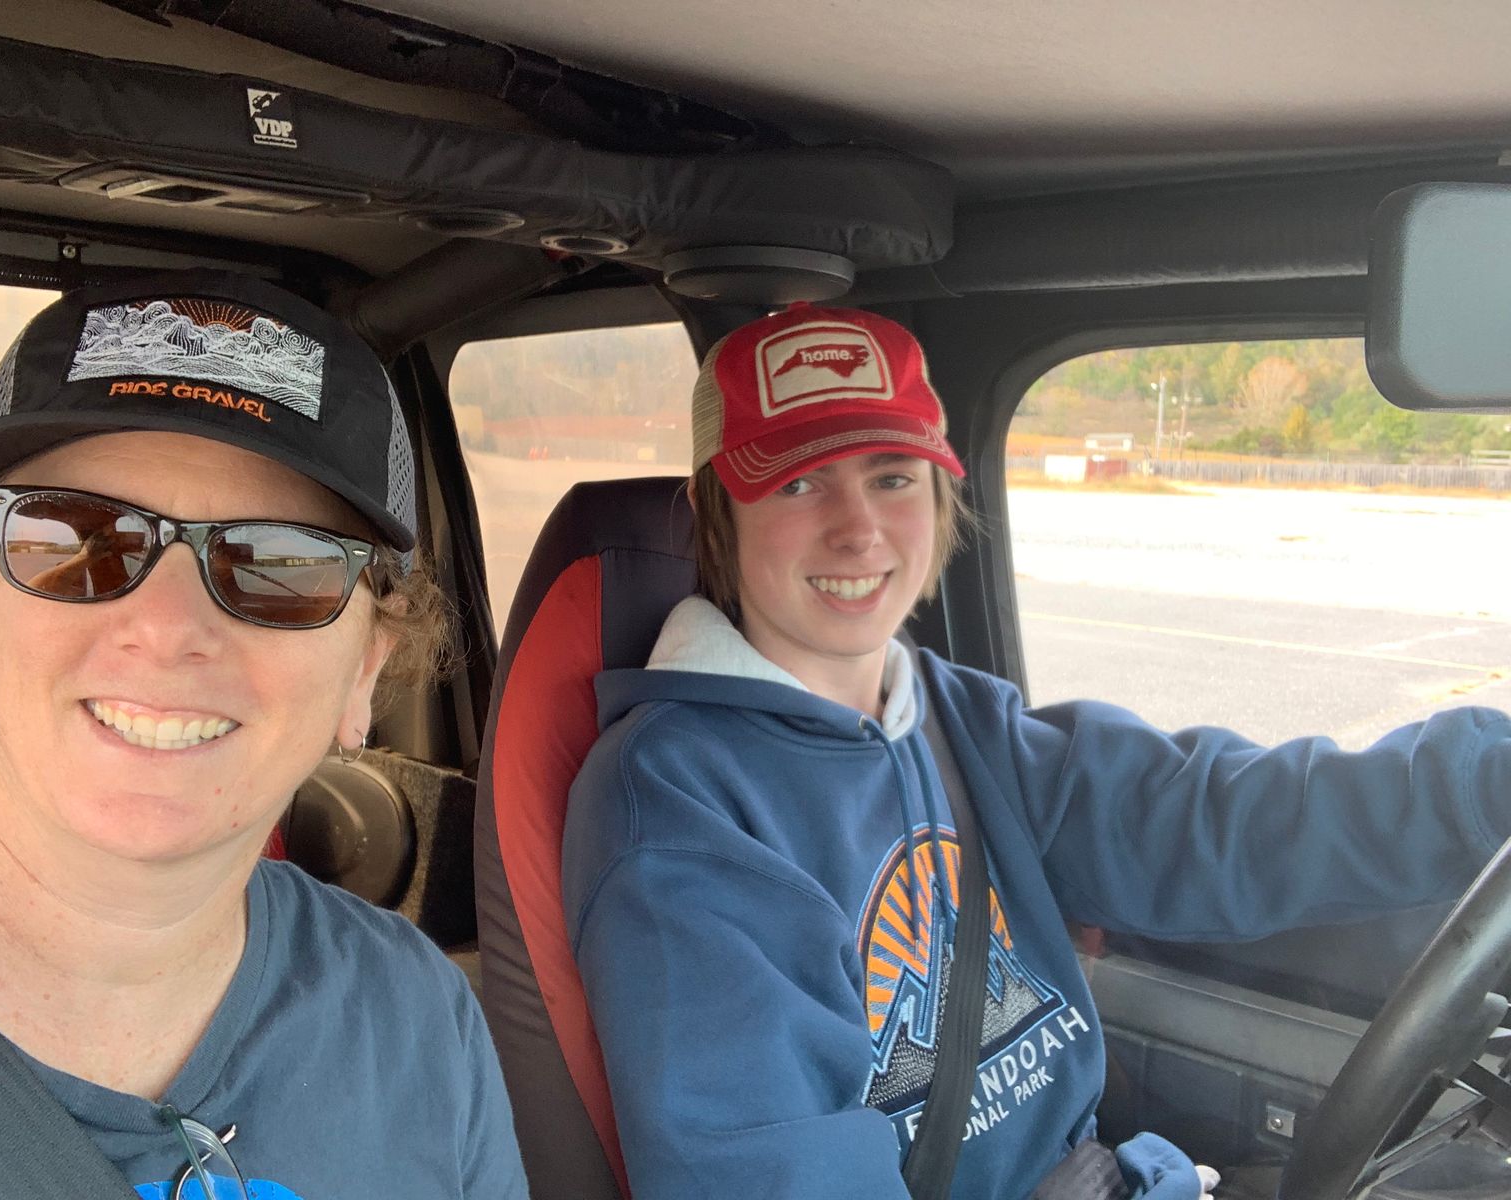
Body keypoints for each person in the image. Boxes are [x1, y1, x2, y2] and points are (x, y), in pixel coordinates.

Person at [562, 303, 1511, 1200]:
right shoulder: (678, 806)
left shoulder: (957, 717)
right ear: (715, 513)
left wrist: (1479, 786)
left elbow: (1215, 818)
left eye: (892, 477)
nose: (858, 529)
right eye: (798, 483)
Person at [0, 271, 529, 1199]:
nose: (166, 629)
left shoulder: (411, 1012)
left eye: (278, 562)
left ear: (365, 671)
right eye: (79, 538)